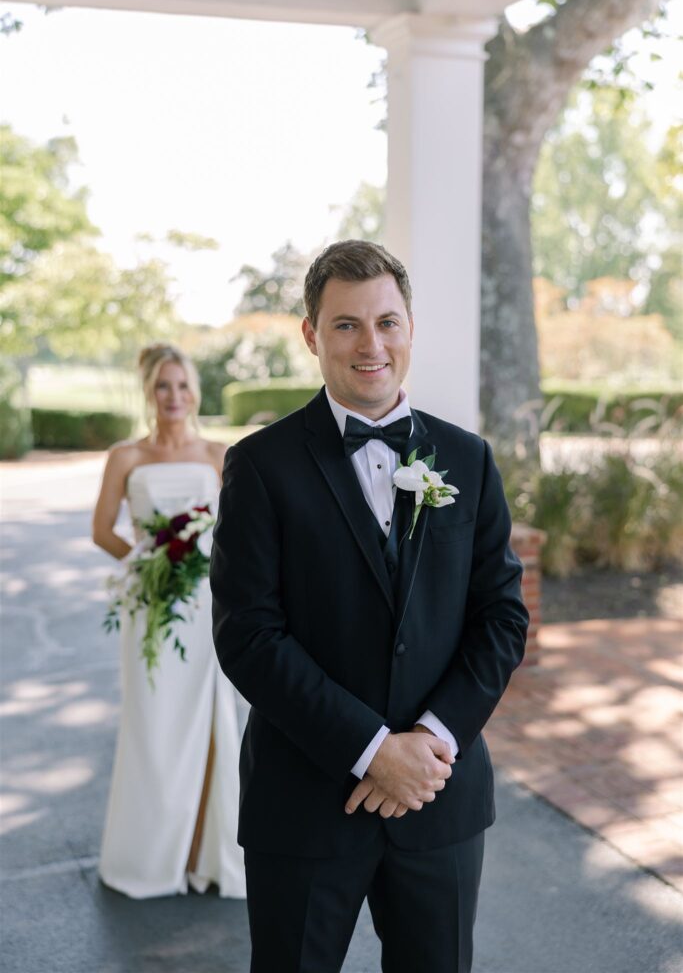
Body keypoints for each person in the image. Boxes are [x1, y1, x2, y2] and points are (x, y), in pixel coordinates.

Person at [211, 241, 528, 972]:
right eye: (346, 325)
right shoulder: (260, 466)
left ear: (410, 326)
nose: (370, 344)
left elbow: (501, 618)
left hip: (436, 795)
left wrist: (426, 743)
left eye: (386, 321)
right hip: (305, 797)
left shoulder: (468, 459)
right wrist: (371, 751)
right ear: (311, 335)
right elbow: (249, 636)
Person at [93, 343, 246, 899]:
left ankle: (206, 855)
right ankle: (153, 856)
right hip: (152, 607)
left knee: (211, 723)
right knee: (154, 727)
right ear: (149, 392)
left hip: (207, 608)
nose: (174, 397)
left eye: (183, 386)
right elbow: (103, 529)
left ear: (195, 392)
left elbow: (239, 534)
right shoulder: (126, 457)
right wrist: (149, 563)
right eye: (163, 386)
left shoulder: (217, 453)